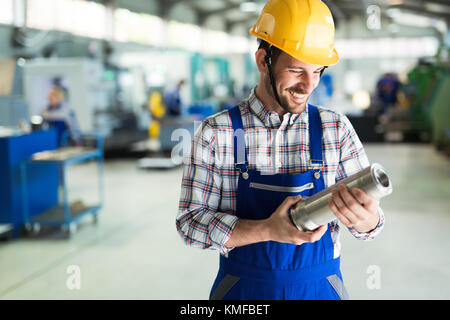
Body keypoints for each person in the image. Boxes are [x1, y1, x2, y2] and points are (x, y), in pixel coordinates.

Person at [176, 0, 385, 300]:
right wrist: (268, 230)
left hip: (319, 289)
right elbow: (190, 223)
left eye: (317, 72)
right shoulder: (217, 133)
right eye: (296, 70)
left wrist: (365, 216)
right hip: (244, 291)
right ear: (263, 60)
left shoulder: (334, 129)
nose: (308, 85)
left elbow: (372, 227)